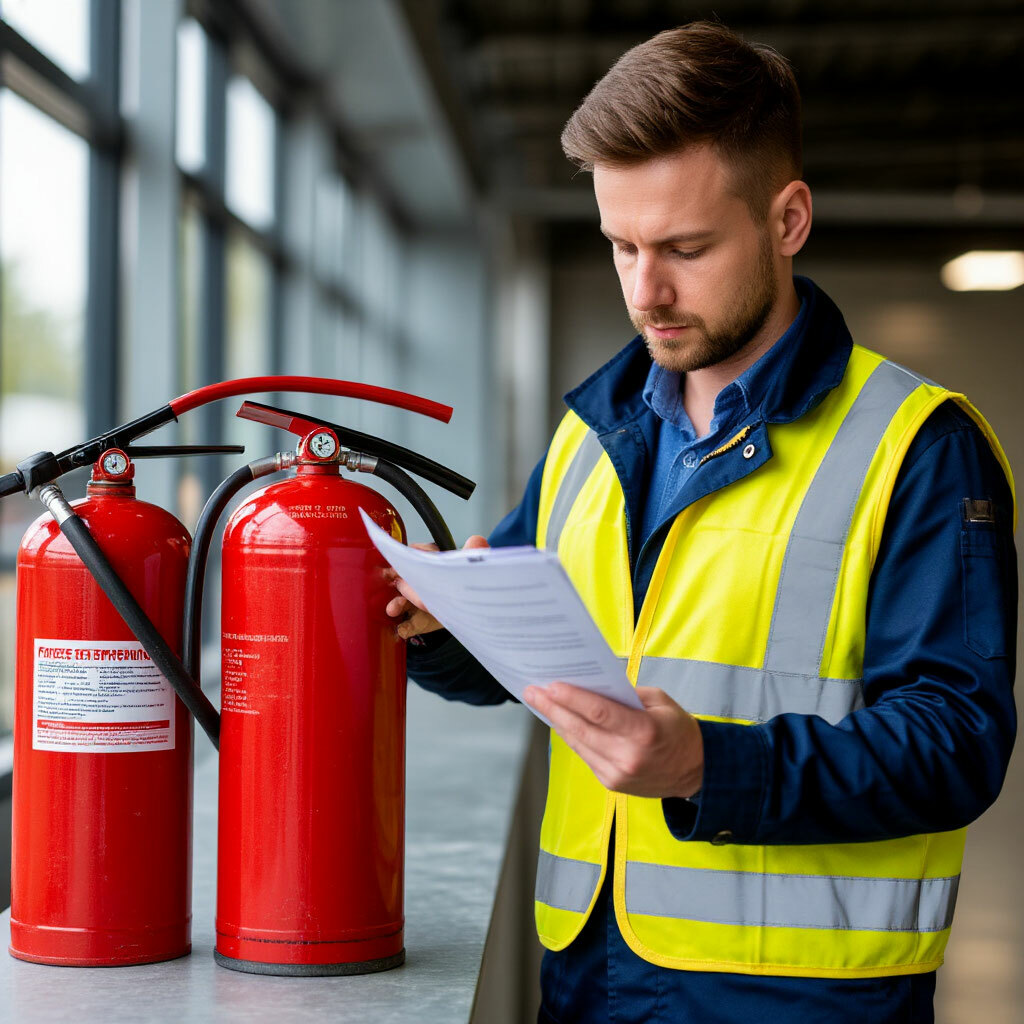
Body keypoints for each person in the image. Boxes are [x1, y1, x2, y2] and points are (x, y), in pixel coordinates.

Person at [386, 21, 1018, 1024]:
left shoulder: (917, 446)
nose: (647, 290)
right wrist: (433, 623)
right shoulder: (593, 433)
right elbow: (528, 661)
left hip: (800, 1001)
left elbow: (955, 741)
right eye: (621, 247)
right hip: (590, 981)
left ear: (787, 219)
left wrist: (709, 767)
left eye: (685, 247)